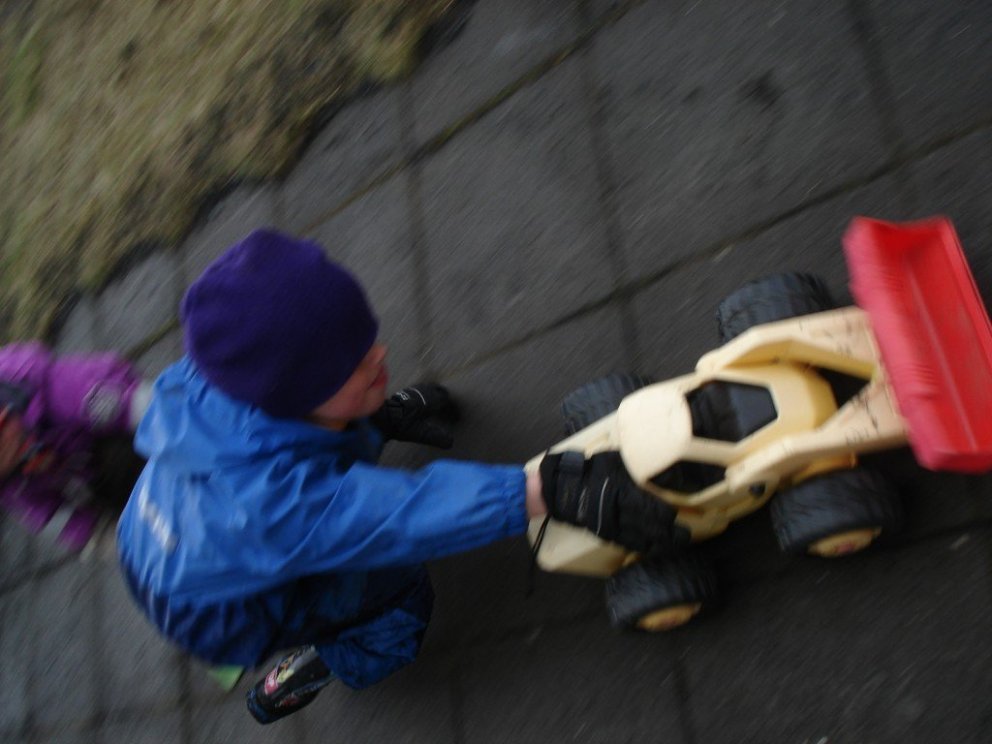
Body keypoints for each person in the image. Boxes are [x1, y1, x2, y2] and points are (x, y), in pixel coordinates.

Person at [115, 229, 685, 725]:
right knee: (392, 593)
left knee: (341, 439)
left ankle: (364, 419)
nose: (381, 354)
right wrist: (547, 491)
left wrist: (373, 413)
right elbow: (400, 516)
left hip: (163, 530)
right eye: (356, 365)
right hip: (217, 607)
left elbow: (301, 430)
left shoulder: (228, 366)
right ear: (291, 397)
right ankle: (322, 663)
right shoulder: (274, 509)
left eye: (367, 342)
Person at [0, 342, 151, 554]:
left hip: (118, 421)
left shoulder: (55, 390)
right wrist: (98, 535)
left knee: (122, 459)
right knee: (128, 514)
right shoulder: (11, 485)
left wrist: (169, 419)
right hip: (89, 470)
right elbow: (50, 514)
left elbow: (124, 406)